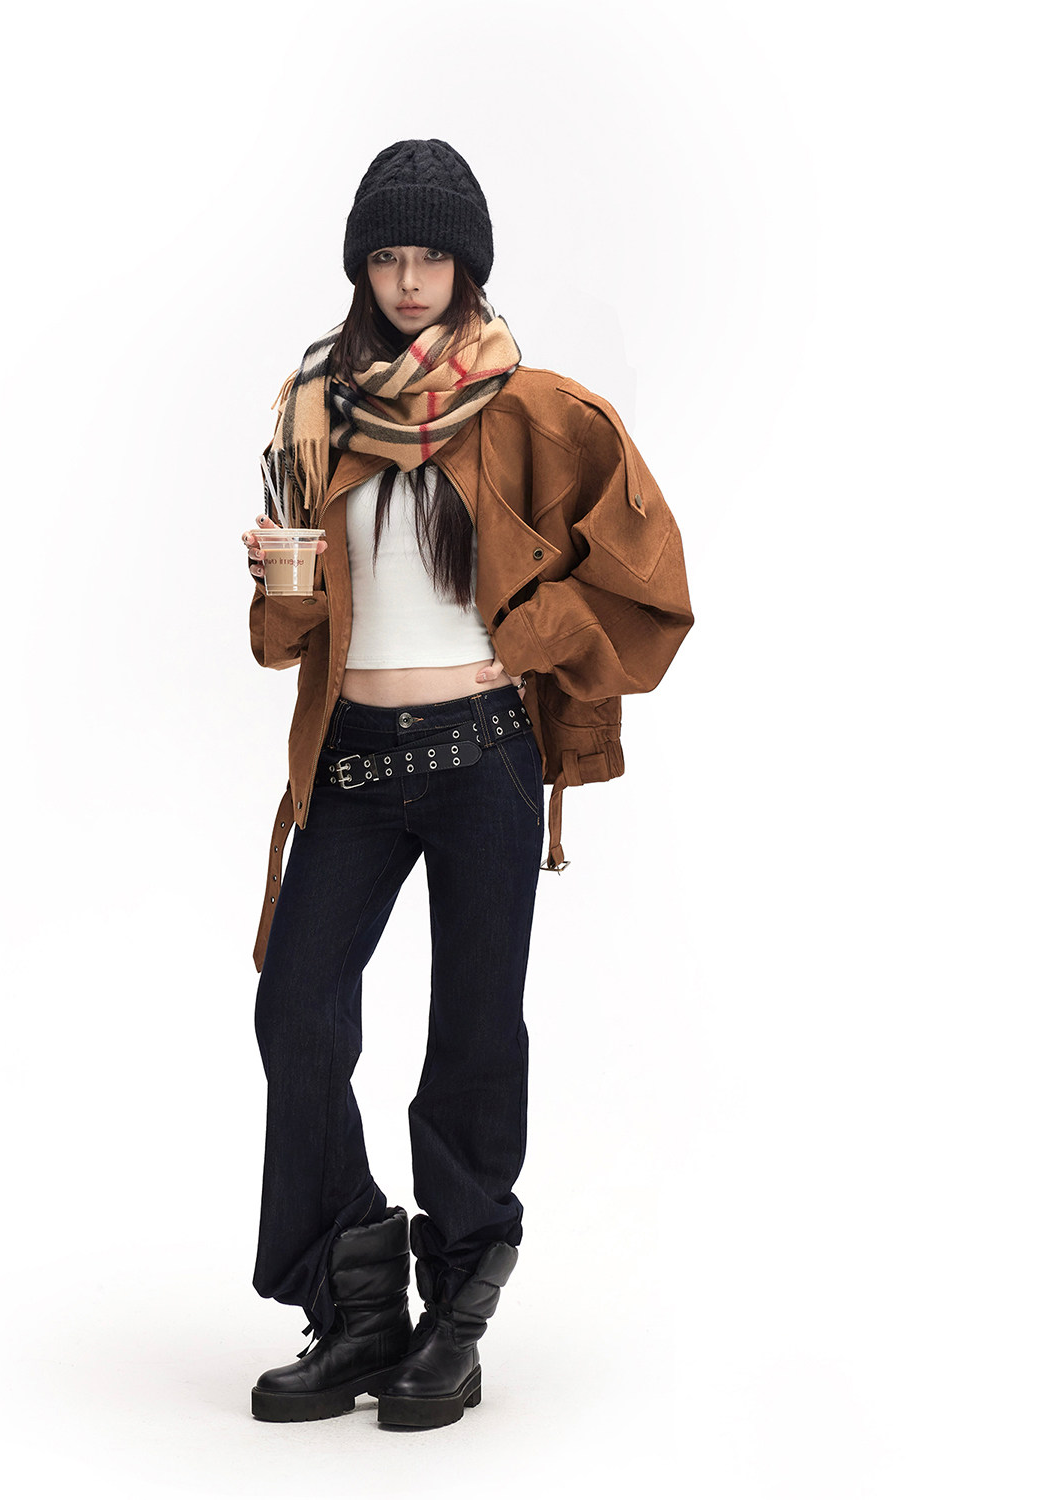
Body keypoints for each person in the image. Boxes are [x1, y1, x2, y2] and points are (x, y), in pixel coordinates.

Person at [239, 139, 694, 1429]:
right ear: (360, 269)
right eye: (386, 257)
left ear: (467, 266)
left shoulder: (532, 409)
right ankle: (356, 1304)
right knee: (297, 1017)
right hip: (354, 761)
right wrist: (279, 580)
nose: (407, 280)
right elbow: (283, 645)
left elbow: (650, 579)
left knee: (474, 1036)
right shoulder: (314, 412)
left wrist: (531, 628)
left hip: (483, 757)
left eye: (429, 256)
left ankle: (457, 1312)